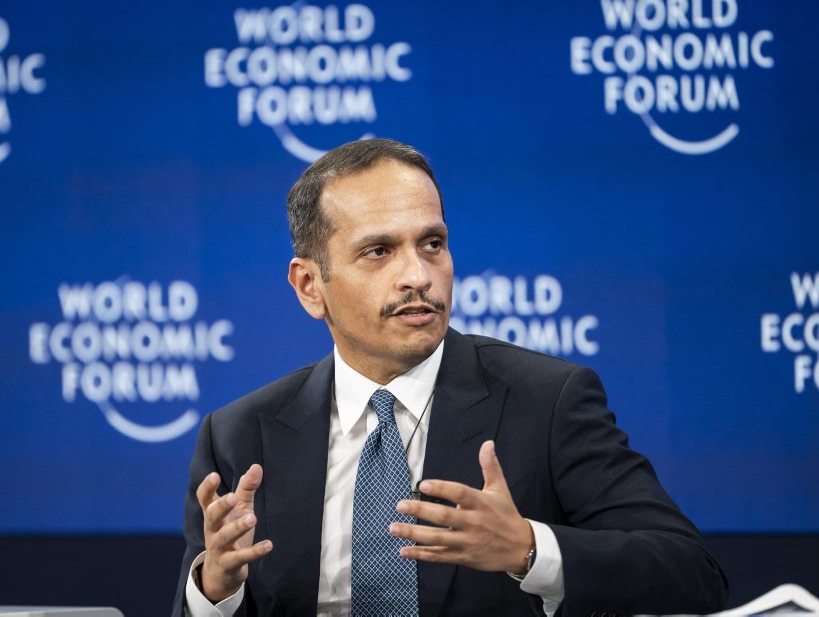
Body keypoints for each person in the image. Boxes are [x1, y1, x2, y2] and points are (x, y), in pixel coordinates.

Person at [172, 138, 728, 616]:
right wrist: (215, 590)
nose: (417, 275)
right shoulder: (240, 435)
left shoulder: (546, 401)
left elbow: (692, 572)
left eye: (432, 244)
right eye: (378, 251)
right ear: (310, 286)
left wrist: (528, 549)